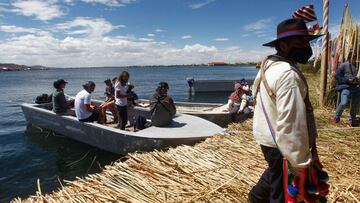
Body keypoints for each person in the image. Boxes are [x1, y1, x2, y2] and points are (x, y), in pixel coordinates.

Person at [249, 19, 328, 203]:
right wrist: (300, 163)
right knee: (284, 192)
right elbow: (291, 123)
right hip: (281, 142)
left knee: (275, 172)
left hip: (267, 137)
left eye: (307, 42)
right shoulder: (288, 74)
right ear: (283, 45)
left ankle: (256, 197)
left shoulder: (268, 65)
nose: (306, 47)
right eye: (300, 42)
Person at [331, 55, 360, 127]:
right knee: (343, 102)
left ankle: (352, 121)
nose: (354, 60)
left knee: (354, 105)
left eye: (355, 58)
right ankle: (336, 117)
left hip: (357, 88)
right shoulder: (344, 65)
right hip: (347, 87)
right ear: (349, 58)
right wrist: (347, 80)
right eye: (352, 58)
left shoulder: (359, 65)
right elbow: (337, 75)